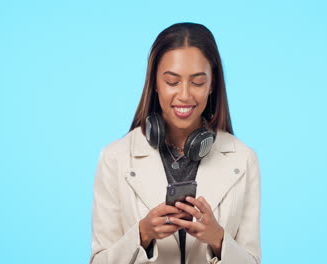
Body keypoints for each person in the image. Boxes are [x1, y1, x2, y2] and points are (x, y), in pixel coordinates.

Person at [89, 22, 261, 264]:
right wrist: (142, 234)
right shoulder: (115, 158)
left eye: (198, 82)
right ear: (155, 84)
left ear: (212, 85)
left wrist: (219, 240)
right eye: (172, 82)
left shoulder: (243, 159)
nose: (184, 95)